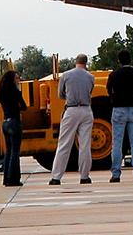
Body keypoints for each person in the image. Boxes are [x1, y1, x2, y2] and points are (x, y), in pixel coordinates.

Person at [49, 54, 95, 185]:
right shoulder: (91, 77)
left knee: (64, 143)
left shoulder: (66, 75)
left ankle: (56, 177)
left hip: (71, 109)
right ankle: (84, 176)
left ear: (76, 62)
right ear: (86, 63)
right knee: (85, 145)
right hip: (86, 110)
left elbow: (60, 94)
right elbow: (90, 91)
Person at [106, 50, 133, 182]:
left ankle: (116, 174)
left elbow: (109, 90)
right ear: (130, 60)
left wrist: (114, 99)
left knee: (117, 142)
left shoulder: (114, 75)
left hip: (119, 109)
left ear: (119, 60)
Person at [0, 69, 27, 186]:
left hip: (5, 122)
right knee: (15, 152)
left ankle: (6, 179)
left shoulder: (1, 92)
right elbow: (24, 107)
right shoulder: (15, 92)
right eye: (17, 78)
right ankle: (14, 179)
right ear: (13, 80)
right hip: (14, 122)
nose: (18, 80)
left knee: (8, 152)